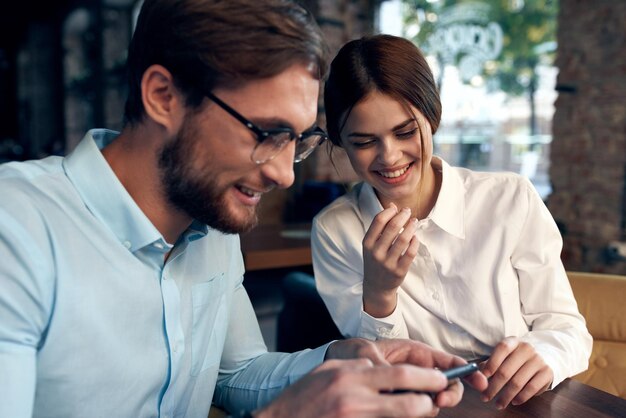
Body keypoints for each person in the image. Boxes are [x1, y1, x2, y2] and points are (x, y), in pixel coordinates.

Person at [0, 2, 488, 418]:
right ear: (162, 96)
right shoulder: (16, 227)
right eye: (266, 134)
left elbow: (235, 374)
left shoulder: (212, 228)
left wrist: (344, 360)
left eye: (296, 140)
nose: (284, 174)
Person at [312, 34, 592, 411]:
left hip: (519, 403)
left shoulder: (510, 199)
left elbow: (567, 329)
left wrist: (546, 354)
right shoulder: (335, 230)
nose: (389, 156)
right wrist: (379, 294)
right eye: (363, 142)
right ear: (341, 142)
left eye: (405, 132)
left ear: (432, 116)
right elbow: (373, 368)